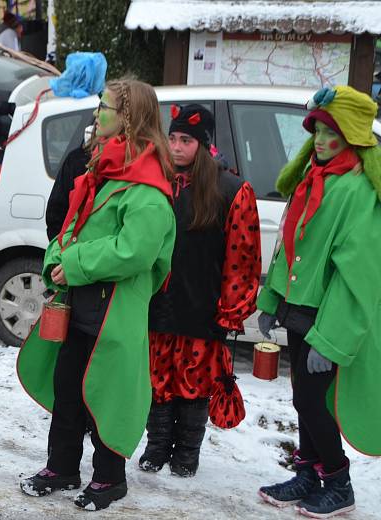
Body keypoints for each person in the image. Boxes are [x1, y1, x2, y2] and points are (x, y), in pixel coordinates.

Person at [17, 80, 177, 511]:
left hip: (114, 312)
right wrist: (58, 255)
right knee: (67, 388)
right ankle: (63, 466)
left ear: (128, 117)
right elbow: (71, 225)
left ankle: (110, 478)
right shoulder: (102, 170)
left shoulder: (148, 184)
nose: (96, 113)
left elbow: (136, 252)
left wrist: (75, 263)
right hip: (80, 308)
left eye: (104, 107)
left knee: (109, 395)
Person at [256, 86, 381, 518]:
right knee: (302, 397)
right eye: (318, 131)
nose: (323, 141)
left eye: (334, 133)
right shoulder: (314, 176)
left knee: (312, 401)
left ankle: (338, 481)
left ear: (353, 138)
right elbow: (286, 247)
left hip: (324, 317)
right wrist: (272, 299)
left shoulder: (357, 191)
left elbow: (357, 275)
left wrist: (331, 338)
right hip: (298, 308)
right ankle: (308, 473)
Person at [139, 104, 261, 477]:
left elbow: (243, 257)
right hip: (158, 305)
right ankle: (157, 446)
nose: (176, 147)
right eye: (172, 138)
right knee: (157, 380)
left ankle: (187, 453)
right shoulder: (156, 181)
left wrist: (231, 309)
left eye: (185, 140)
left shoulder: (231, 189)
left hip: (202, 308)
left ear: (203, 143)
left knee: (193, 383)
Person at [45, 122, 95, 240]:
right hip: (72, 251)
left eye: (103, 107)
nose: (96, 114)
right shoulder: (78, 160)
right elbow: (56, 214)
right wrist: (61, 249)